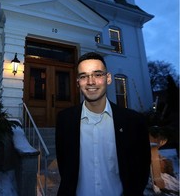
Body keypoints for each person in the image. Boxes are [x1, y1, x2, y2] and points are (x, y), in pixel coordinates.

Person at [55, 52, 151, 196]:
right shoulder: (65, 120)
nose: (91, 82)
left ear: (108, 78)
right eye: (83, 76)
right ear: (77, 82)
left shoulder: (133, 122)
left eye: (98, 74)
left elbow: (141, 172)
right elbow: (65, 168)